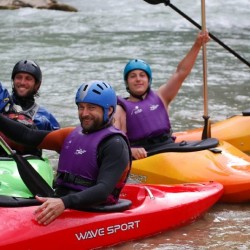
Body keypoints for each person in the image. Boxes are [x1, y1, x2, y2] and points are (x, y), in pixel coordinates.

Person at [0, 80, 131, 226]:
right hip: (62, 201)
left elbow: (103, 190)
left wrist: (64, 202)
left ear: (110, 110)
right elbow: (27, 136)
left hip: (93, 209)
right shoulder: (70, 135)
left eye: (91, 108)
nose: (84, 113)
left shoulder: (115, 144)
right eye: (81, 107)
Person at [114, 31, 210, 160]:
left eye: (142, 75)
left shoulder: (162, 96)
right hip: (145, 156)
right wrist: (130, 151)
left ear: (149, 80)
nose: (138, 79)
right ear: (127, 82)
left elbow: (181, 72)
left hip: (169, 148)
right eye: (132, 76)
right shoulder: (120, 110)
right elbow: (113, 144)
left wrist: (197, 44)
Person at [0, 59, 60, 155]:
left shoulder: (44, 117)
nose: (22, 82)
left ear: (37, 85)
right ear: (13, 80)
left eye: (28, 78)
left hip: (30, 163)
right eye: (19, 77)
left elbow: (63, 146)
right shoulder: (2, 103)